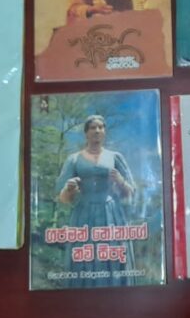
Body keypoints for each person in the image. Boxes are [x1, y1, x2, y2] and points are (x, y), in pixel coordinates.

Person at [54, 115, 138, 287]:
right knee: (84, 253)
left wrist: (120, 181)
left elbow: (131, 192)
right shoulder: (74, 159)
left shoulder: (115, 157)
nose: (97, 131)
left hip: (111, 214)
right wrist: (69, 189)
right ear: (86, 132)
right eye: (93, 127)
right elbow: (62, 197)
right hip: (83, 214)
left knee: (113, 252)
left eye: (101, 127)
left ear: (105, 132)